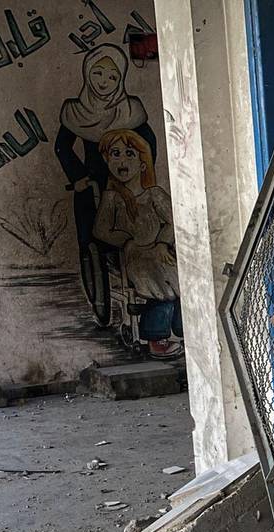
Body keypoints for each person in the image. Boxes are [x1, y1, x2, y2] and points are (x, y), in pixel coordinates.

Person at [54, 44, 158, 321]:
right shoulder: (76, 112)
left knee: (139, 232)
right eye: (98, 73)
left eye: (112, 76)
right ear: (87, 74)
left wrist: (142, 173)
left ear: (121, 78)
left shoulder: (131, 110)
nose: (104, 81)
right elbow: (62, 147)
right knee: (90, 235)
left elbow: (148, 143)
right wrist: (78, 177)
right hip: (90, 184)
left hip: (125, 183)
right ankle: (98, 291)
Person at [92, 128, 181, 359]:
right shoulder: (112, 198)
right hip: (135, 256)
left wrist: (162, 242)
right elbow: (101, 230)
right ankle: (156, 337)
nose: (122, 160)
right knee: (155, 275)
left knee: (178, 271)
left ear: (142, 164)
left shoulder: (154, 195)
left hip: (161, 250)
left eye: (129, 154)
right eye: (115, 154)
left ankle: (183, 327)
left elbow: (175, 220)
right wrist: (127, 242)